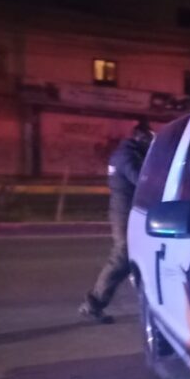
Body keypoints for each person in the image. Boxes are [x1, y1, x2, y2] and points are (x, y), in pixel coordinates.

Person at [79, 120, 153, 323]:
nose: (150, 141)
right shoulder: (126, 155)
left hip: (129, 212)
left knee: (137, 256)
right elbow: (140, 180)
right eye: (148, 137)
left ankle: (148, 300)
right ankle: (93, 304)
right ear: (139, 137)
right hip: (124, 214)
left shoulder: (128, 153)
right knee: (123, 256)